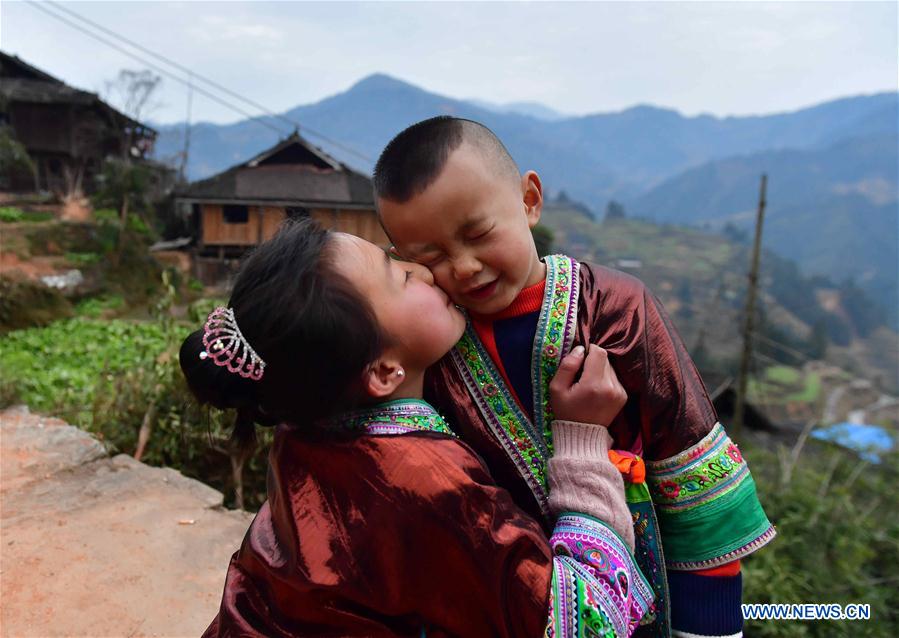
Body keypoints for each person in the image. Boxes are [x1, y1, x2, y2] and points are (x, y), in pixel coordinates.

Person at [373, 116, 776, 638]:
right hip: (492, 602)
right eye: (431, 257)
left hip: (628, 595)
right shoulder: (430, 345)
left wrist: (710, 627)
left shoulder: (617, 310)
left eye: (478, 234)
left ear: (529, 199)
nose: (466, 267)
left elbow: (692, 478)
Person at [180, 218, 654, 637]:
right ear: (385, 373)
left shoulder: (300, 427)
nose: (426, 272)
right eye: (403, 277)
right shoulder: (423, 480)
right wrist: (582, 441)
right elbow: (587, 623)